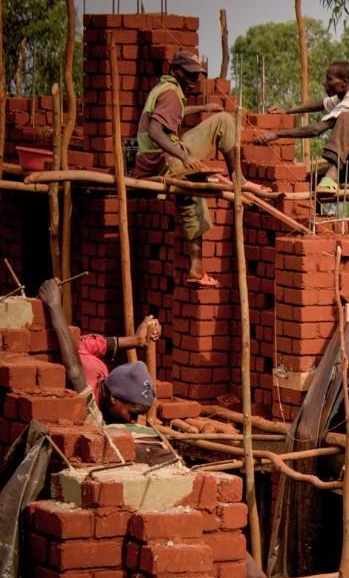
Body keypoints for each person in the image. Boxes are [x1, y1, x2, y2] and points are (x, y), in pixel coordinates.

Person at [133, 52, 239, 288]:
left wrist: (202, 107)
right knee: (224, 120)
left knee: (191, 194)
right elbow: (155, 131)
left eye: (198, 75)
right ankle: (237, 177)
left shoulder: (164, 90)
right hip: (165, 160)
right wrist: (183, 155)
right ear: (175, 72)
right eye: (190, 74)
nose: (194, 80)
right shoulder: (171, 94)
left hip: (151, 162)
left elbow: (171, 115)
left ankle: (196, 268)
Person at [257, 60, 349, 194]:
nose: (325, 83)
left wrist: (277, 134)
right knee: (311, 180)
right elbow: (321, 104)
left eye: (329, 80)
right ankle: (317, 216)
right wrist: (288, 110)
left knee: (346, 119)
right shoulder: (344, 95)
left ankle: (333, 174)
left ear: (344, 83)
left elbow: (316, 129)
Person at [38, 279, 159, 425]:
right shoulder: (94, 398)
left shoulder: (104, 389)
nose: (134, 422)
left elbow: (80, 351)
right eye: (132, 414)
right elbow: (75, 370)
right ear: (114, 398)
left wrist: (135, 341)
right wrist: (54, 304)